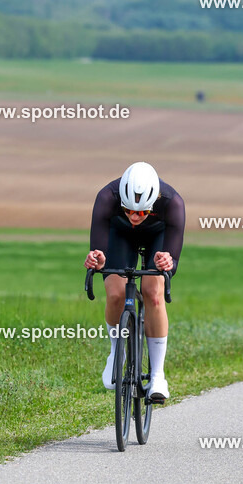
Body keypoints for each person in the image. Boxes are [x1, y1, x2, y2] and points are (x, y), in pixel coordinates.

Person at [84, 162, 185, 399]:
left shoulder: (173, 203)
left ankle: (158, 375)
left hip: (157, 236)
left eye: (141, 212)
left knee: (153, 292)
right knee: (116, 292)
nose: (133, 217)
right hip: (119, 234)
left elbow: (173, 260)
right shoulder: (107, 197)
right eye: (128, 210)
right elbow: (99, 251)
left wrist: (167, 262)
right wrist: (97, 259)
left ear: (155, 201)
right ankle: (115, 354)